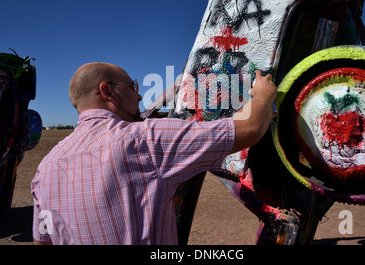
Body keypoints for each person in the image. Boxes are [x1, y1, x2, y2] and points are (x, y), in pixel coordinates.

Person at [31, 62, 276, 245]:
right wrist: (264, 94)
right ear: (107, 91)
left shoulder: (46, 168)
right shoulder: (144, 140)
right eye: (132, 86)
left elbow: (43, 240)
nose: (138, 95)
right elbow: (250, 128)